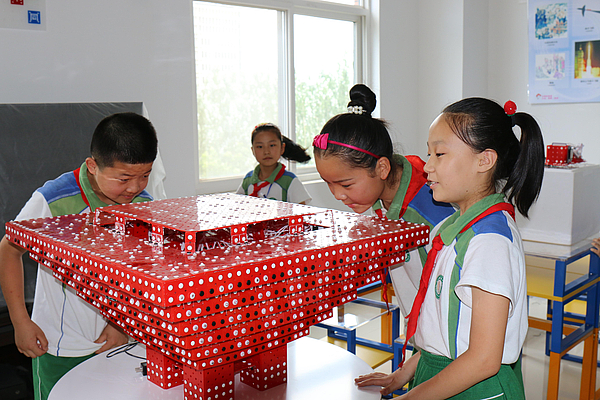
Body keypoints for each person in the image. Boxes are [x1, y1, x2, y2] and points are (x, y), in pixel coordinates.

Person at [355, 97, 545, 399]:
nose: (427, 166)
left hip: (477, 388)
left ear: (485, 160)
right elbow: (445, 331)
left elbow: (483, 359)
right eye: (429, 153)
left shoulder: (489, 242)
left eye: (440, 154)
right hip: (443, 373)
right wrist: (406, 372)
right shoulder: (451, 228)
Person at [0, 112, 158, 400]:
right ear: (93, 166)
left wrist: (119, 325)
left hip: (119, 339)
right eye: (124, 178)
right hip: (59, 345)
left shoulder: (142, 204)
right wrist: (20, 322)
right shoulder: (54, 200)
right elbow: (8, 251)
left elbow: (139, 272)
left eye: (145, 175)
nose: (135, 188)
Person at [313, 84, 455, 317]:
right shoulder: (382, 197)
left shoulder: (432, 211)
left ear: (382, 168)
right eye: (328, 183)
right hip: (418, 323)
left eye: (345, 185)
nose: (337, 195)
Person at [237, 123, 312, 204]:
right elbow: (237, 205)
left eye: (272, 145)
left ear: (282, 148)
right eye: (260, 147)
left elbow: (301, 209)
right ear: (253, 151)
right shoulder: (248, 180)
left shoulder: (290, 180)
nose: (266, 151)